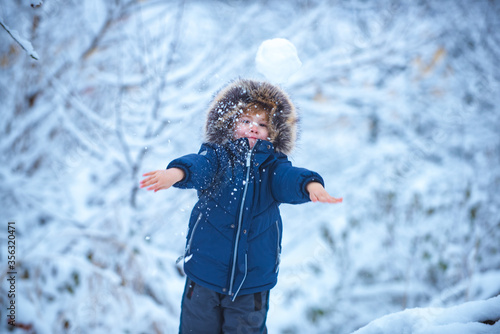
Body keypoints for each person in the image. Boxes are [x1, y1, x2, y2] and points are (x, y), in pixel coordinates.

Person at [140, 78, 342, 333]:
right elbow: (198, 167)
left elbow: (290, 179)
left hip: (252, 283)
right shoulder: (217, 158)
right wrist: (176, 174)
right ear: (230, 123)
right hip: (204, 275)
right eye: (246, 121)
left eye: (262, 124)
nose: (253, 128)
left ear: (274, 132)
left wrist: (311, 186)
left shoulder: (273, 168)